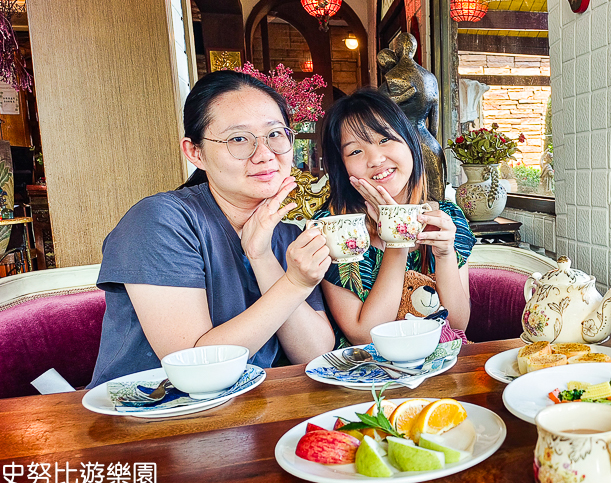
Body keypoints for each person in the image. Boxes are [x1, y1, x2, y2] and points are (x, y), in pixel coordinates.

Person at [88, 70, 336, 387]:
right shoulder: (160, 221)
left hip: (248, 414)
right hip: (149, 418)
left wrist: (262, 257)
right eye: (238, 139)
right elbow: (195, 368)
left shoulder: (285, 234)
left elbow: (314, 351)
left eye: (275, 134)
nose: (264, 155)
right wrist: (295, 284)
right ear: (195, 152)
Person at [319, 88, 473, 347]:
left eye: (384, 140)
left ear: (410, 143)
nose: (376, 159)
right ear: (341, 165)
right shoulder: (335, 227)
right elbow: (365, 335)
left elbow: (457, 326)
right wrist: (396, 237)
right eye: (355, 151)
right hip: (367, 378)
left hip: (439, 371)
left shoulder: (447, 217)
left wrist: (445, 255)